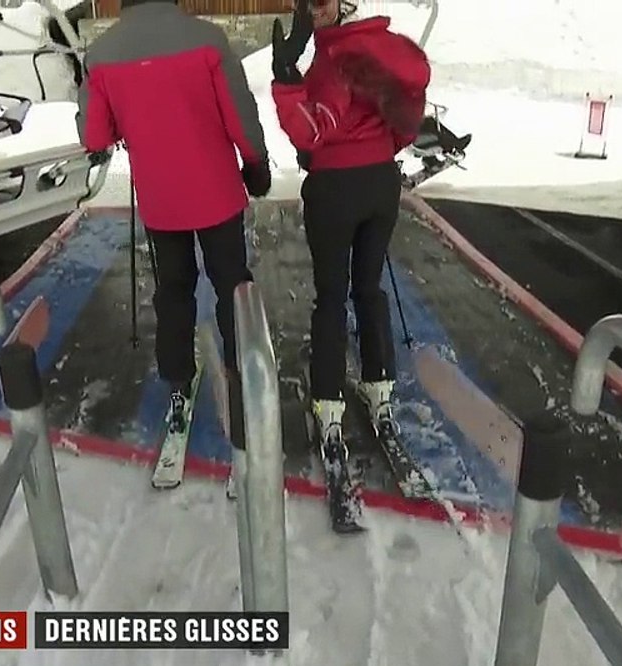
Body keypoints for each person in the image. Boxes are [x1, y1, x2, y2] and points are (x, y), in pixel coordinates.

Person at [76, 0, 272, 467]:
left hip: (162, 200)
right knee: (233, 287)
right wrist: (257, 161)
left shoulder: (101, 55)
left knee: (174, 291)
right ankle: (241, 379)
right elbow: (238, 111)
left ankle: (179, 387)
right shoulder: (207, 39)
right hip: (218, 192)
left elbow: (95, 137)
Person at [270, 0, 431, 449]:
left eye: (319, 3)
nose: (312, 10)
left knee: (332, 296)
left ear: (341, 6)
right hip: (381, 184)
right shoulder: (384, 48)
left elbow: (311, 132)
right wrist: (376, 147)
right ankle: (380, 388)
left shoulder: (335, 58)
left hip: (335, 191)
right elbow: (406, 124)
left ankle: (328, 401)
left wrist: (286, 78)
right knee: (369, 286)